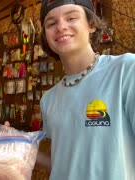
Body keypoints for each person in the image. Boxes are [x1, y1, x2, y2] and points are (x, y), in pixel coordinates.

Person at [38, 0, 135, 179]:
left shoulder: (126, 70)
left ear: (91, 24)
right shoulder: (48, 99)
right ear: (45, 34)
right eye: (51, 23)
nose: (61, 27)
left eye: (71, 18)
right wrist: (18, 145)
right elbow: (65, 161)